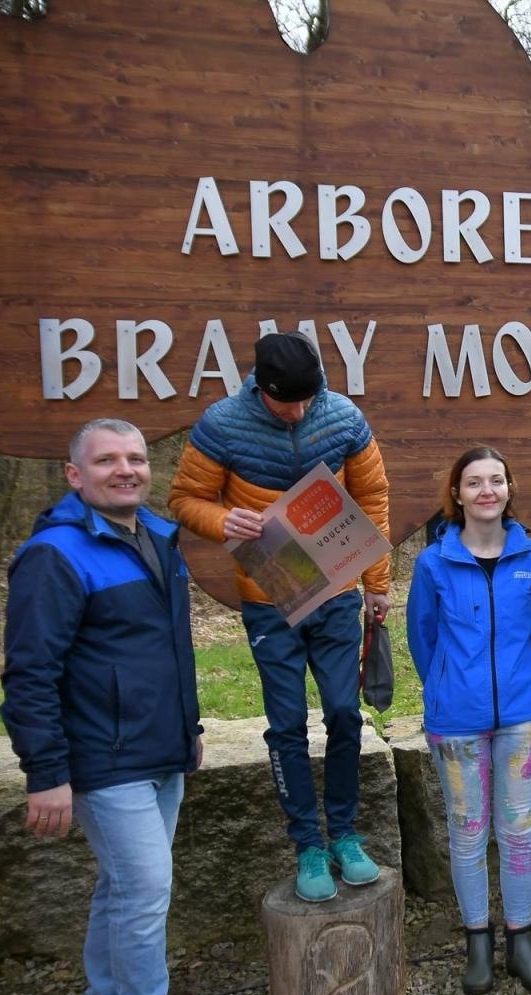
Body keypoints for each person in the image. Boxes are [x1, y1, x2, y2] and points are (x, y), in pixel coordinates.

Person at [1, 419, 201, 995]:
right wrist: (45, 772)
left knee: (123, 889)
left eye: (137, 458)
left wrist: (190, 729)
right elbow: (30, 672)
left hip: (158, 749)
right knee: (144, 891)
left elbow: (174, 653)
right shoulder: (55, 556)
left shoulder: (158, 541)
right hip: (102, 757)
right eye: (108, 459)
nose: (126, 470)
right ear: (75, 474)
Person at [168, 331, 391, 901]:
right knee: (287, 724)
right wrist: (224, 522)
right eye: (284, 402)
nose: (296, 411)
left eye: (305, 400)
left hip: (337, 590)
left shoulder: (342, 417)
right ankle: (307, 845)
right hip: (269, 599)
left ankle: (344, 833)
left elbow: (372, 500)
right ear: (260, 388)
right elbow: (184, 500)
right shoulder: (221, 424)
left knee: (344, 713)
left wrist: (378, 585)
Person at [407, 447, 531, 995]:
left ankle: (521, 939)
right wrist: (449, 684)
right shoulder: (433, 563)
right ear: (458, 494)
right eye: (474, 482)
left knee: (518, 830)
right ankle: (478, 941)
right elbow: (422, 638)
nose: (487, 490)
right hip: (457, 720)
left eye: (497, 480)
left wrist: (523, 680)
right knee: (468, 832)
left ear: (511, 489)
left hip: (523, 716)